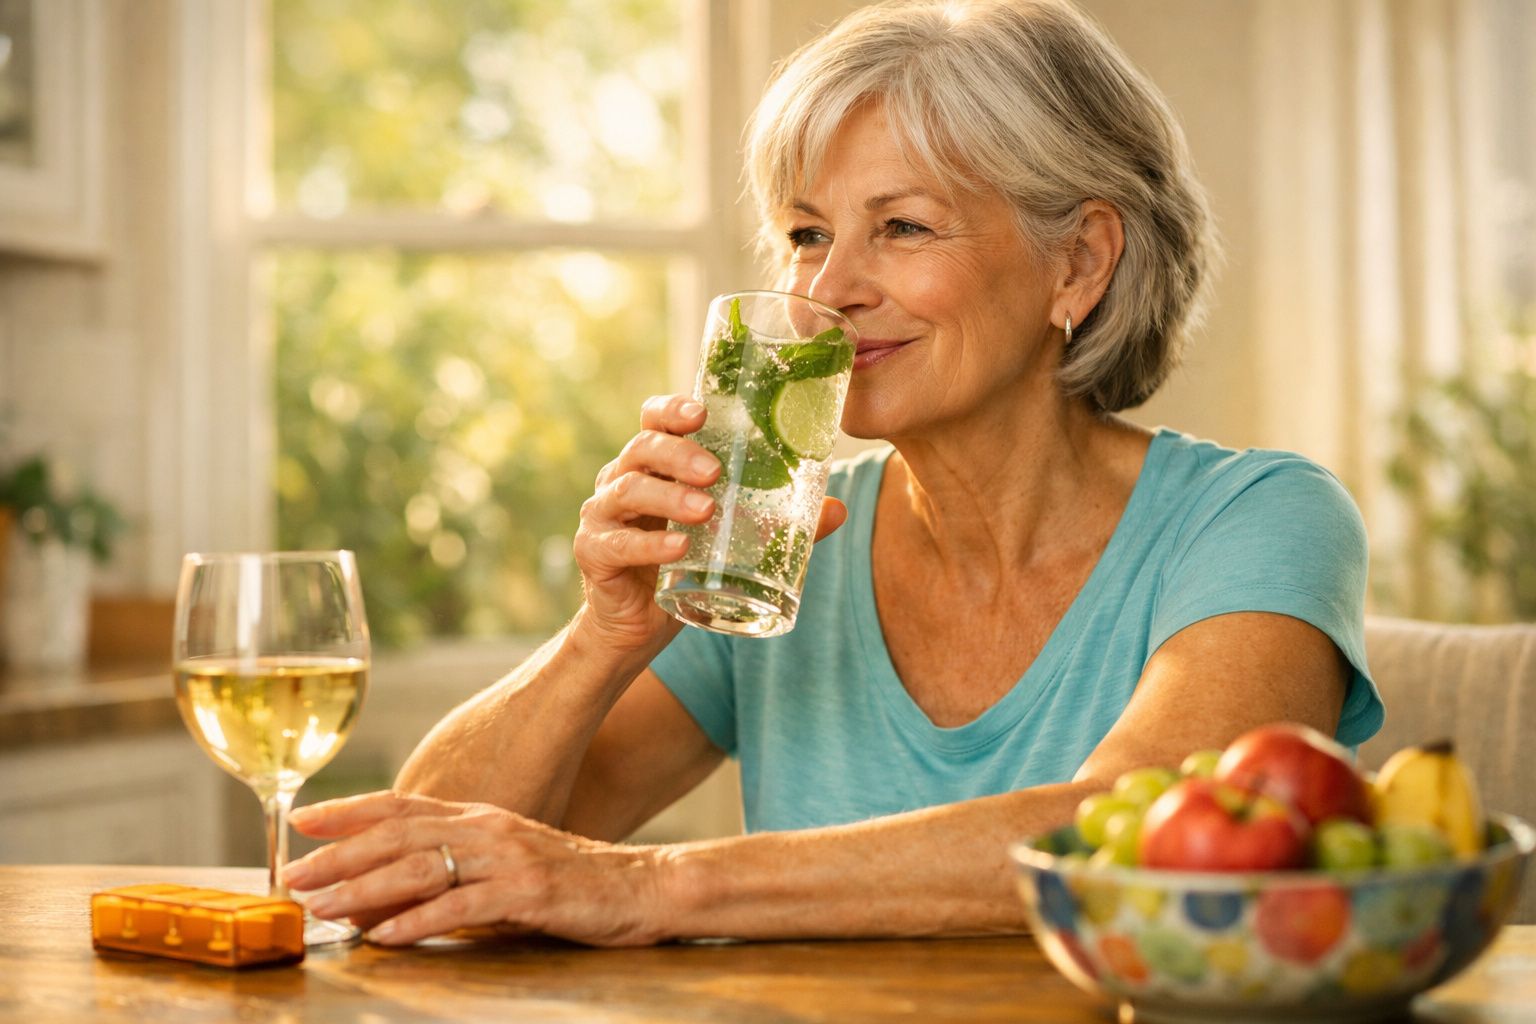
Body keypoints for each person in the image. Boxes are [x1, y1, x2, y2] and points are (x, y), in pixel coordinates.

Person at [284, 0, 1384, 946]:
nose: (833, 287)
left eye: (902, 227)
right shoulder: (780, 546)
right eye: (807, 234)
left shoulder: (1258, 519)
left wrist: (652, 886)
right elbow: (410, 867)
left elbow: (1133, 836)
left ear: (1080, 262)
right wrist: (603, 635)